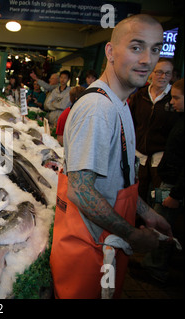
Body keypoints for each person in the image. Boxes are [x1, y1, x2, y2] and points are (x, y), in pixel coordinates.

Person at [50, 14, 173, 299]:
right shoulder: (98, 109)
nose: (147, 60)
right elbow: (81, 191)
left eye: (155, 49)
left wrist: (147, 213)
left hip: (106, 247)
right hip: (90, 251)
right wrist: (132, 234)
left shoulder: (119, 102)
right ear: (110, 51)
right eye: (136, 47)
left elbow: (117, 180)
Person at [141, 79, 184, 283]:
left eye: (176, 97)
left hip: (174, 187)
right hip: (166, 182)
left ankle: (155, 269)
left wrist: (176, 195)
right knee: (157, 215)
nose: (172, 101)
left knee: (162, 224)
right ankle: (151, 263)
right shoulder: (179, 118)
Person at [129, 58, 178, 204]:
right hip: (139, 156)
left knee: (158, 199)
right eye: (159, 72)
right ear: (151, 73)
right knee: (136, 196)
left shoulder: (174, 98)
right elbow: (131, 122)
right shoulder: (140, 95)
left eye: (167, 73)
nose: (163, 77)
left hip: (161, 159)